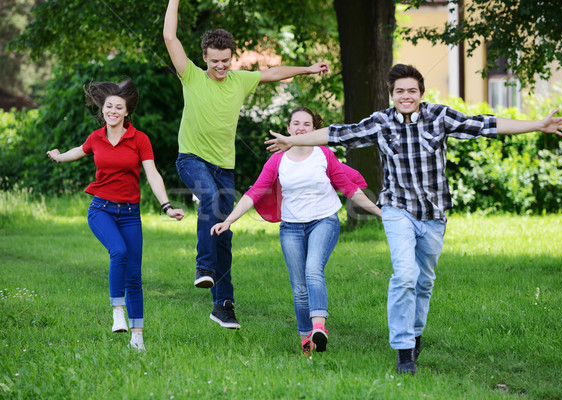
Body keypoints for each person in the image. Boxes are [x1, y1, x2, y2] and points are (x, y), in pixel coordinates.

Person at [265, 64, 562, 373]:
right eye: (399, 91)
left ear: (421, 94)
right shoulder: (381, 123)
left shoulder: (439, 117)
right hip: (397, 210)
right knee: (404, 276)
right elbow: (339, 134)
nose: (406, 96)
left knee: (423, 282)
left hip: (433, 215)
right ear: (392, 95)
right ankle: (403, 351)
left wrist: (538, 124)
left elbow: (485, 125)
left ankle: (414, 335)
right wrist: (294, 141)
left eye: (412, 90)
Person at [163, 0, 330, 330]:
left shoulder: (239, 79)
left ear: (231, 57)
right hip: (192, 160)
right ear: (205, 58)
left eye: (225, 61)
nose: (220, 66)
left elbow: (273, 73)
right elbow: (170, 37)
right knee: (208, 199)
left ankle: (223, 305)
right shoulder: (192, 76)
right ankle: (203, 268)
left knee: (225, 233)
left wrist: (307, 69)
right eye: (214, 61)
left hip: (224, 167)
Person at [210, 107, 381, 355]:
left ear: (314, 129)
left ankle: (319, 328)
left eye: (307, 124)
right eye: (296, 123)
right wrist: (229, 220)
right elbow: (254, 192)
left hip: (324, 221)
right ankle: (306, 343)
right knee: (300, 288)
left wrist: (379, 212)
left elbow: (350, 190)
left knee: (313, 269)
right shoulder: (278, 161)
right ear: (288, 128)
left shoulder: (324, 155)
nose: (301, 127)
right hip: (291, 227)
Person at [46, 79, 185, 352]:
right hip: (101, 210)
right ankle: (116, 310)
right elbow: (80, 151)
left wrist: (166, 206)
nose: (112, 111)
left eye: (118, 107)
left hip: (131, 213)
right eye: (108, 106)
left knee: (134, 276)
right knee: (119, 252)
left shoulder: (139, 139)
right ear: (103, 109)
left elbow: (152, 173)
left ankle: (137, 338)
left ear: (126, 111)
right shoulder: (96, 138)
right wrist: (59, 156)